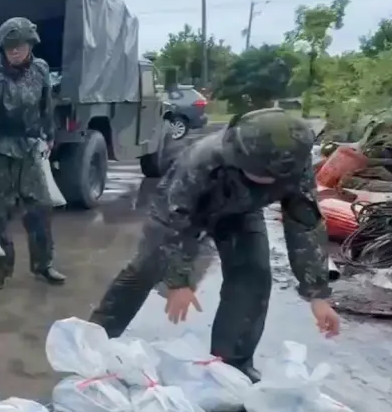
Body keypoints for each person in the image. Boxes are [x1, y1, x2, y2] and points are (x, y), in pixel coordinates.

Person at [88, 108, 341, 379]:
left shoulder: (296, 166)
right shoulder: (202, 159)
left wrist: (317, 293)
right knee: (146, 268)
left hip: (241, 213)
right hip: (183, 212)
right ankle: (92, 342)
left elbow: (304, 224)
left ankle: (231, 365)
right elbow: (171, 222)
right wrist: (179, 280)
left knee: (253, 274)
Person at [0, 17, 66, 289]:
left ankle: (43, 265)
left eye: (19, 45)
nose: (14, 51)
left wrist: (49, 137)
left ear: (30, 44)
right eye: (9, 46)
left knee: (39, 212)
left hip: (30, 151)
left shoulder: (40, 70)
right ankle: (0, 268)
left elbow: (47, 106)